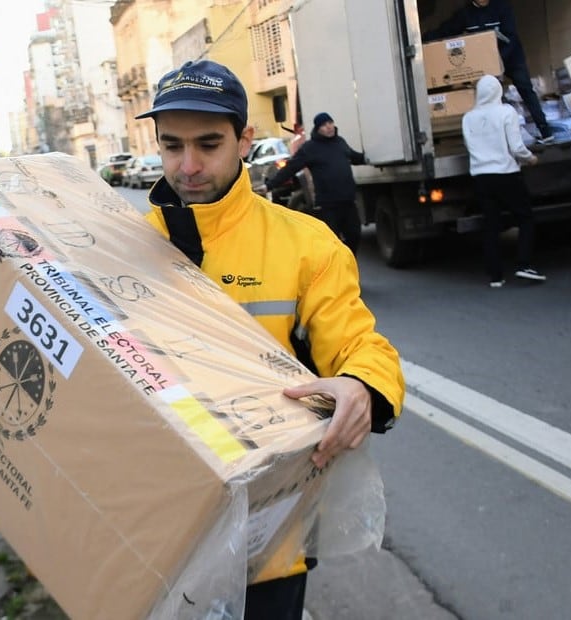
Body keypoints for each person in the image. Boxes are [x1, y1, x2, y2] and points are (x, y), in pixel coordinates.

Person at [135, 59, 404, 620]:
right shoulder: (124, 246)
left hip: (267, 533)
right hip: (154, 528)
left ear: (244, 140)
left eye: (208, 144)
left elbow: (360, 344)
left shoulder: (306, 245)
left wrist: (361, 386)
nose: (188, 166)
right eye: (172, 146)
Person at [425, 0, 554, 143]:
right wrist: (421, 39)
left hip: (511, 57)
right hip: (486, 64)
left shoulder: (502, 7)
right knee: (489, 97)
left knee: (525, 89)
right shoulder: (465, 14)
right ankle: (498, 138)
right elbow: (446, 30)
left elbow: (510, 37)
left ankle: (545, 130)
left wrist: (498, 62)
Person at [462, 74, 546, 287]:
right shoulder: (506, 112)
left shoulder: (468, 118)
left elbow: (470, 146)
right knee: (525, 217)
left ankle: (495, 275)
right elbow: (516, 147)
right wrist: (530, 158)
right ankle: (524, 264)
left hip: (481, 176)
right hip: (506, 173)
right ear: (498, 91)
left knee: (491, 224)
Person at [264, 112, 366, 254]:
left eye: (330, 123)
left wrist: (370, 156)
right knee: (332, 241)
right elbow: (291, 168)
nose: (329, 127)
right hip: (328, 204)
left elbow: (355, 157)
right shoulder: (310, 148)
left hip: (348, 201)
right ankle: (337, 264)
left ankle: (348, 261)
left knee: (354, 235)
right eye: (324, 125)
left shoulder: (340, 142)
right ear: (318, 128)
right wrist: (269, 185)